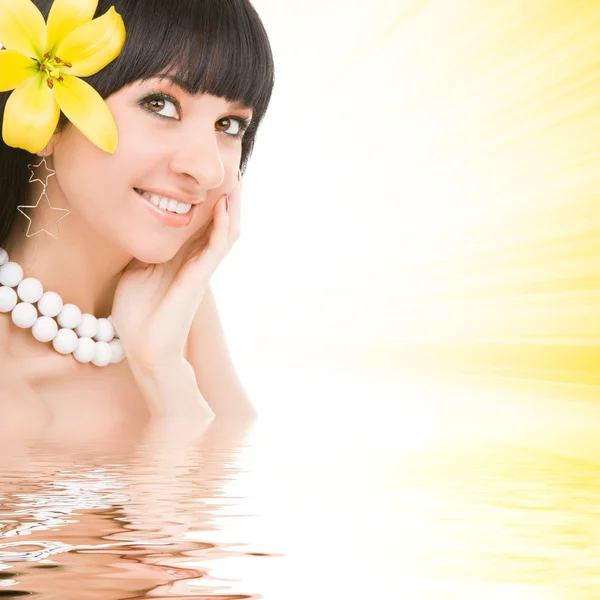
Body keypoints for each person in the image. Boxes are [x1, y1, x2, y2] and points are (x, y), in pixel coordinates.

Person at [0, 0, 275, 429]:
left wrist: (165, 376)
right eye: (161, 104)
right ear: (44, 119)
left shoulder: (176, 310)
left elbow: (234, 487)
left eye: (229, 125)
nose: (208, 170)